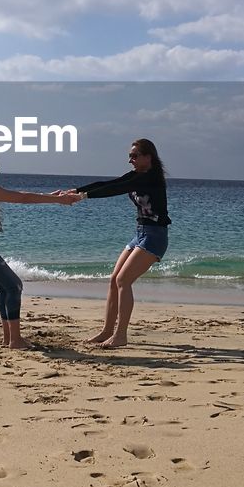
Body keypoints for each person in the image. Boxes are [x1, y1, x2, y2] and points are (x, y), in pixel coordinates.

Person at [0, 148, 79, 349]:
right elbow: (21, 198)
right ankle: (15, 340)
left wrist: (49, 195)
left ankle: (9, 338)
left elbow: (21, 196)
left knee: (6, 288)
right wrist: (57, 200)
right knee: (14, 286)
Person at [67, 138, 170, 348]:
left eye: (134, 156)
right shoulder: (137, 175)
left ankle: (120, 335)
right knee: (114, 279)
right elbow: (110, 184)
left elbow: (117, 189)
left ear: (147, 157)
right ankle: (106, 331)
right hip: (140, 233)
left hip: (155, 236)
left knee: (124, 280)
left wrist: (85, 196)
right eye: (130, 156)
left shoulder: (151, 178)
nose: (130, 160)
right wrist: (76, 191)